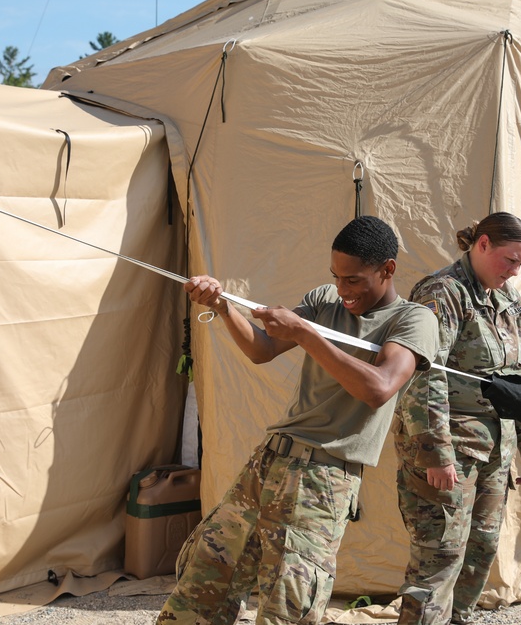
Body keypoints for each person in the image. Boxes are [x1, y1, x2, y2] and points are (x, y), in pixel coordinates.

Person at [156, 215, 440, 625]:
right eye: (337, 277)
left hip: (324, 477)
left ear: (387, 270)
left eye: (354, 280)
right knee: (205, 578)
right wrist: (221, 305)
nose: (343, 290)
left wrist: (307, 334)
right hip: (270, 461)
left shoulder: (413, 320)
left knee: (288, 603)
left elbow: (379, 388)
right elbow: (262, 349)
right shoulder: (326, 298)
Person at [393, 212, 521, 625]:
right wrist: (436, 453)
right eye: (510, 260)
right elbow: (424, 374)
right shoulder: (442, 293)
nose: (515, 272)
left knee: (480, 549)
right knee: (440, 554)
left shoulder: (506, 298)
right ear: (481, 245)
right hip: (451, 450)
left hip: (497, 448)